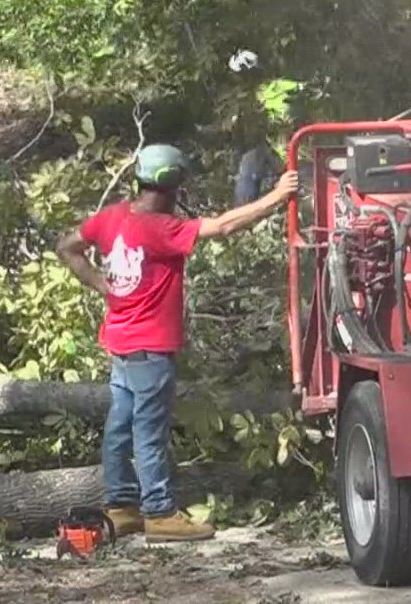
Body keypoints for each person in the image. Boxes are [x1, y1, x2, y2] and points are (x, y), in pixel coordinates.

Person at [56, 143, 301, 542]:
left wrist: (101, 284)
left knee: (120, 427)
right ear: (175, 186)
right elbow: (223, 227)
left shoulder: (113, 217)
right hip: (151, 348)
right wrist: (277, 196)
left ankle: (121, 507)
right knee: (149, 431)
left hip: (121, 341)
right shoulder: (162, 228)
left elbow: (67, 247)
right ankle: (159, 513)